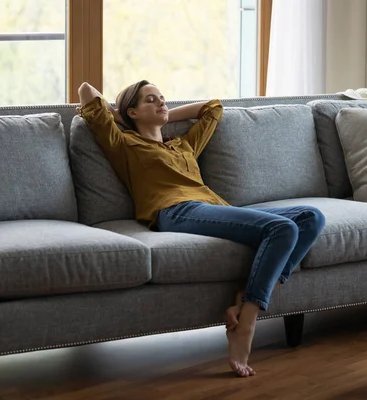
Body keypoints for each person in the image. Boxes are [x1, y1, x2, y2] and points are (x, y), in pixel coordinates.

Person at [77, 80, 326, 377]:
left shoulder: (183, 146)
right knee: (283, 229)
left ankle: (247, 298)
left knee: (311, 217)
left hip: (215, 208)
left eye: (163, 98)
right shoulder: (124, 145)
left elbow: (213, 108)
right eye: (150, 100)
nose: (161, 103)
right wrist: (121, 118)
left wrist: (165, 116)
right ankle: (247, 322)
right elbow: (86, 91)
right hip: (175, 211)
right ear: (131, 111)